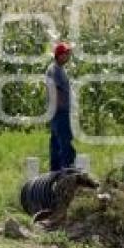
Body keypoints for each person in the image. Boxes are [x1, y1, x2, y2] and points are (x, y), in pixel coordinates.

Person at [46, 41, 75, 172]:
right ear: (60, 55)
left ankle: (56, 171)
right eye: (66, 53)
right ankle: (66, 170)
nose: (68, 56)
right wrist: (61, 106)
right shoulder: (55, 70)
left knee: (56, 142)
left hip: (59, 111)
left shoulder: (59, 69)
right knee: (64, 141)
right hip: (59, 112)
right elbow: (55, 90)